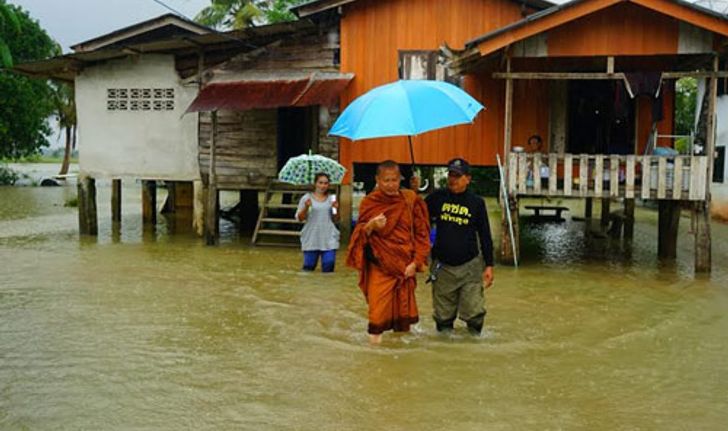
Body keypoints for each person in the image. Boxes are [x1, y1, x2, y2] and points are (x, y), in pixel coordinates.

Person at [346, 160, 431, 344]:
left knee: (403, 317)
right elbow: (358, 236)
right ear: (377, 179)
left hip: (405, 267)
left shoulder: (410, 200)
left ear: (401, 178)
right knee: (376, 316)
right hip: (381, 266)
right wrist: (371, 225)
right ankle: (374, 355)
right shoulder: (370, 202)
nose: (391, 185)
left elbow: (422, 235)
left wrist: (416, 263)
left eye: (395, 180)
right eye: (386, 180)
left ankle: (401, 360)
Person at [425, 157, 494, 336]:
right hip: (442, 266)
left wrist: (489, 265)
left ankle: (473, 350)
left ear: (468, 179)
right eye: (450, 174)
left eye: (457, 175)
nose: (452, 179)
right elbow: (417, 218)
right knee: (443, 318)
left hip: (470, 266)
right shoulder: (437, 198)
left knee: (474, 315)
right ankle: (445, 354)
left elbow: (485, 235)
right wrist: (415, 190)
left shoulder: (477, 202)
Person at [296, 172, 340, 272]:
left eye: (326, 183)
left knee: (329, 265)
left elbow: (336, 219)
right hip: (311, 236)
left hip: (329, 237)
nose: (323, 186)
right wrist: (306, 207)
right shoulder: (306, 198)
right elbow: (300, 218)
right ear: (315, 183)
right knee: (308, 267)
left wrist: (336, 208)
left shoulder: (331, 199)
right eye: (320, 183)